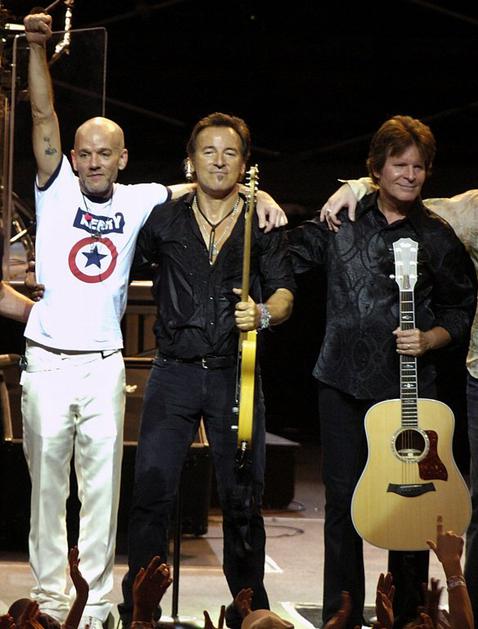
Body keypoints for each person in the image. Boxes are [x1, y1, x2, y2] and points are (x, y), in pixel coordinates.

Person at [21, 12, 287, 629]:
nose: (92, 162)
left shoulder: (143, 199)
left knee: (104, 494)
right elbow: (42, 117)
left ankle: (99, 605)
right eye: (84, 153)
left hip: (106, 363)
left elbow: (208, 184)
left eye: (104, 153)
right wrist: (36, 47)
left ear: (123, 158)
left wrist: (259, 194)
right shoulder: (55, 189)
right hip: (48, 362)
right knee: (48, 492)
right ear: (72, 157)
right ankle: (53, 600)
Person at [286, 115, 476, 628]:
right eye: (399, 165)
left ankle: (410, 617)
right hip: (343, 384)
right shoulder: (342, 219)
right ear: (376, 168)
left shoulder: (437, 236)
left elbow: (461, 308)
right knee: (343, 505)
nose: (410, 176)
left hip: (411, 394)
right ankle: (341, 616)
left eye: (419, 167)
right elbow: (285, 257)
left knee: (411, 509)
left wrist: (431, 338)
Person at [117, 111, 295, 629]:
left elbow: (285, 293)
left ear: (245, 162)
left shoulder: (262, 223)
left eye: (230, 152)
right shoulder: (163, 220)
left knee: (243, 499)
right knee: (151, 493)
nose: (219, 161)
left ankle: (249, 612)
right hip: (172, 373)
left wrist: (263, 313)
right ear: (190, 161)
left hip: (233, 374)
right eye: (208, 151)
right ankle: (141, 609)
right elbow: (122, 260)